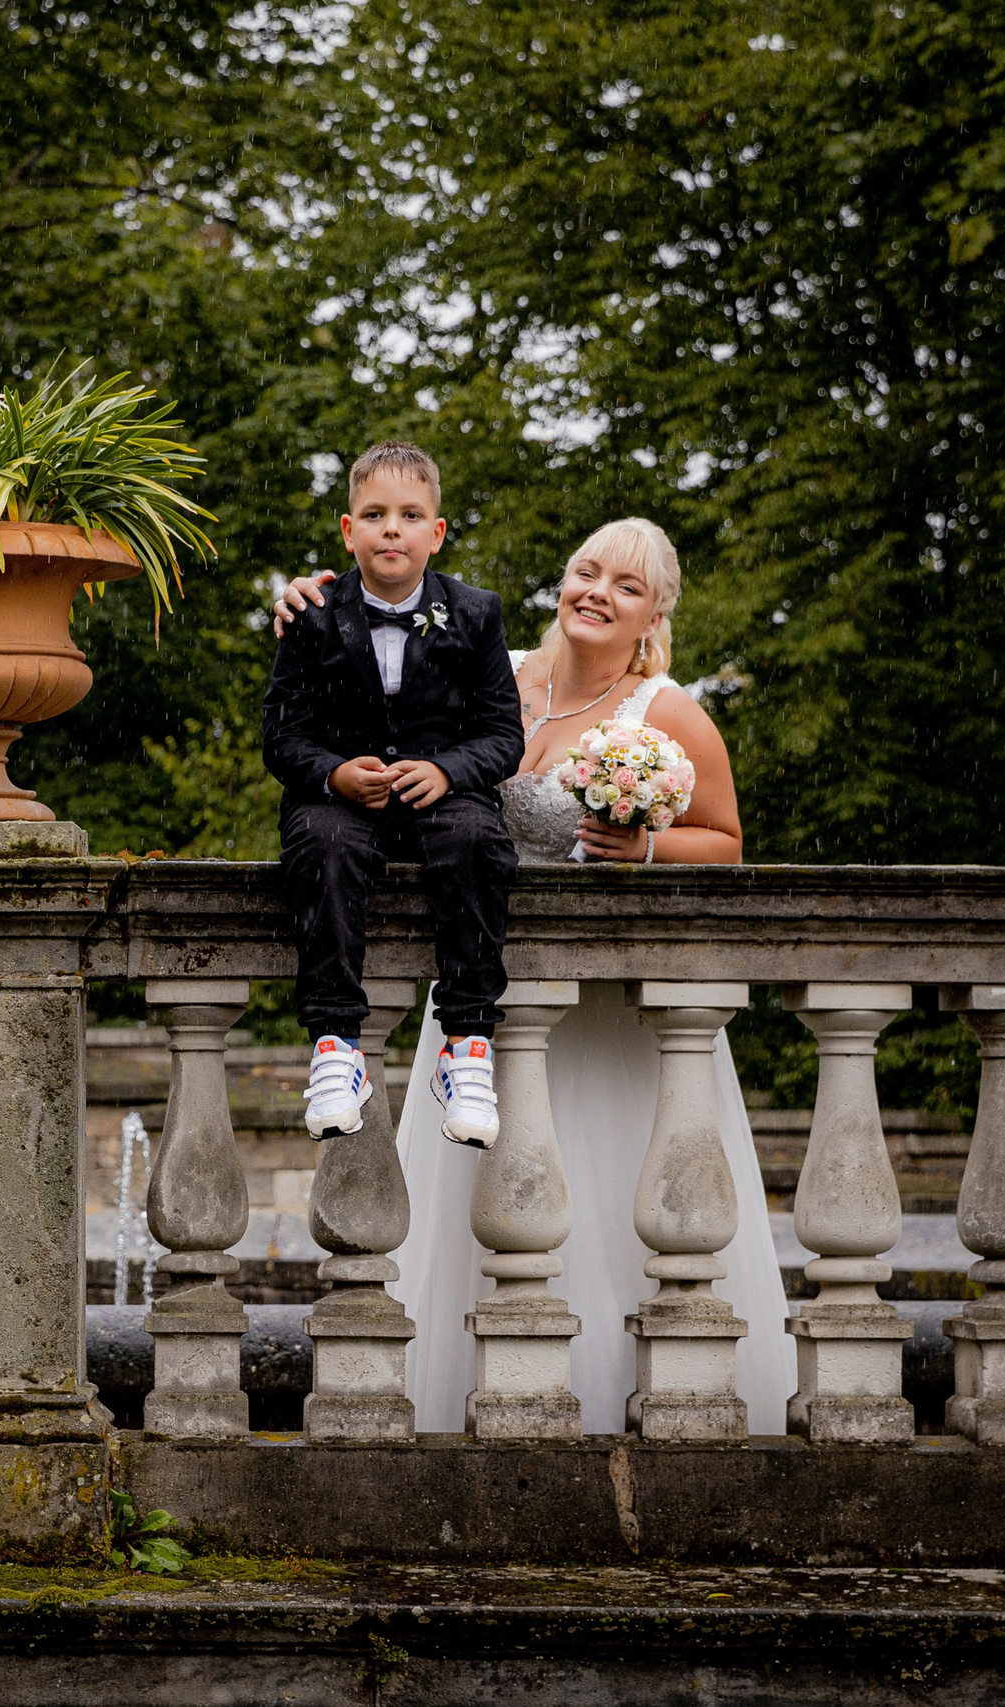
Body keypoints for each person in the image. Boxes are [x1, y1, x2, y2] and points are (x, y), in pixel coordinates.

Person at [272, 516, 788, 1434]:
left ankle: (617, 1403)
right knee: (472, 1207)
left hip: (608, 1020)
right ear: (563, 579)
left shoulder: (666, 713)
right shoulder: (485, 660)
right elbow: (379, 636)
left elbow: (728, 842)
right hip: (482, 986)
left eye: (627, 586)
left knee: (613, 1205)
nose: (599, 592)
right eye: (588, 571)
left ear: (655, 613)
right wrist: (311, 600)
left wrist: (645, 843)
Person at [261, 440, 524, 1149]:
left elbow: (504, 735)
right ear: (348, 530)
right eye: (374, 514)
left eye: (410, 514)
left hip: (445, 797)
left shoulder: (475, 613)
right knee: (323, 842)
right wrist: (334, 771)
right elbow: (281, 737)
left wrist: (448, 770)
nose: (391, 528)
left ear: (435, 532)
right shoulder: (310, 614)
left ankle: (467, 1043)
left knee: (477, 840)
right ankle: (335, 1045)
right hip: (340, 801)